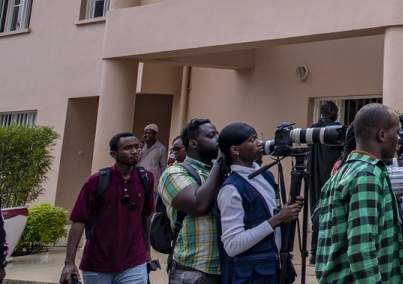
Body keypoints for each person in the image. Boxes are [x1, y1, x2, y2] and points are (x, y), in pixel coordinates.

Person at [315, 103, 403, 284]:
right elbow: (361, 249)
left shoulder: (342, 173)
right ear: (381, 135)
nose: (399, 139)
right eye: (396, 133)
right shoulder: (367, 174)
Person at [214, 123, 303, 283]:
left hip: (274, 270)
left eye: (257, 138)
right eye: (252, 140)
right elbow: (232, 245)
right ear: (235, 150)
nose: (259, 143)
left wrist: (287, 209)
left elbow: (264, 218)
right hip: (251, 276)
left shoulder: (265, 177)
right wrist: (277, 219)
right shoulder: (231, 189)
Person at [62, 133, 155, 284]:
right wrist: (69, 263)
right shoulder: (96, 181)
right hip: (98, 263)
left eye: (137, 146)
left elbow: (148, 217)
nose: (135, 151)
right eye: (128, 148)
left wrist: (146, 252)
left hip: (134, 262)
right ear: (114, 154)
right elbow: (79, 221)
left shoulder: (146, 178)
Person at [158, 118, 227, 284]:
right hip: (195, 271)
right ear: (194, 144)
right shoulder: (175, 172)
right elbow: (199, 205)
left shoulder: (223, 170)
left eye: (218, 133)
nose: (219, 139)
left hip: (227, 269)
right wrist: (220, 160)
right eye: (212, 135)